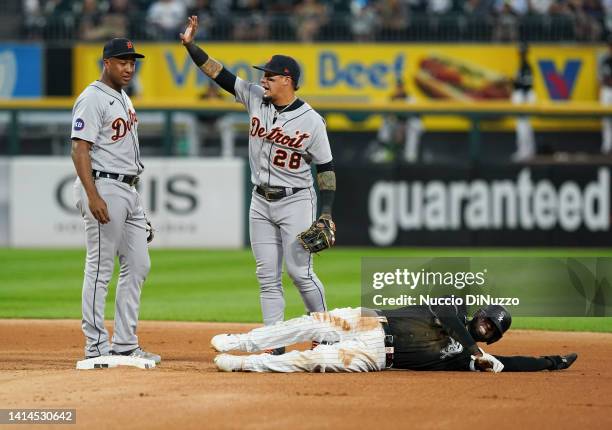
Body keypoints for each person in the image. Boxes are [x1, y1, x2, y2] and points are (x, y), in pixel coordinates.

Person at [180, 16, 336, 353]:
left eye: (269, 75)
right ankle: (274, 343)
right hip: (260, 201)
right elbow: (217, 72)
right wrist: (191, 46)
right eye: (262, 75)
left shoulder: (311, 120)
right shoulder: (253, 97)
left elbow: (326, 168)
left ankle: (326, 335)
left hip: (296, 200)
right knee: (267, 276)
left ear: (287, 81)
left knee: (299, 272)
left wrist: (326, 213)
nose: (261, 80)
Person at [71, 38, 160, 364]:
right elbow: (79, 149)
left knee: (138, 265)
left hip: (128, 190)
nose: (128, 67)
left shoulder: (123, 97)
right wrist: (92, 195)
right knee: (99, 269)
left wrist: (134, 202)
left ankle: (124, 343)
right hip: (104, 185)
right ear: (106, 62)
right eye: (122, 61)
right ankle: (95, 347)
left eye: (132, 62)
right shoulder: (92, 98)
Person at [210, 304, 577, 373]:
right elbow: (451, 319)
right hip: (369, 318)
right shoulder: (454, 308)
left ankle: (245, 363)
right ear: (478, 316)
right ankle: (240, 342)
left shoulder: (468, 360)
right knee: (305, 324)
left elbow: (510, 364)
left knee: (312, 361)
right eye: (484, 324)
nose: (484, 330)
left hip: (377, 354)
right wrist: (474, 347)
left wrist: (548, 362)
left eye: (490, 333)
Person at [511, 42, 536, 162]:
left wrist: (524, 99)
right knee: (524, 125)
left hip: (524, 96)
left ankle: (525, 152)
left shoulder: (526, 66)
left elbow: (527, 85)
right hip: (523, 96)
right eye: (520, 52)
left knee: (523, 126)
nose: (520, 54)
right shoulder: (522, 65)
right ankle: (527, 151)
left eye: (522, 52)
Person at [599, 37, 612, 154]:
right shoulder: (604, 59)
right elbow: (603, 79)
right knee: (606, 122)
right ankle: (607, 147)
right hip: (607, 92)